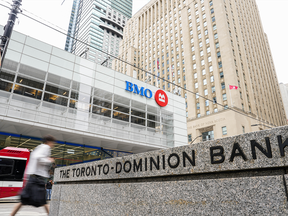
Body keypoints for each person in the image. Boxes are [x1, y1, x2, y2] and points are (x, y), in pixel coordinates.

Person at [11, 135, 56, 216]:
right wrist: (49, 160)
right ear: (49, 142)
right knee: (43, 201)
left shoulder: (39, 147)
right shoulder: (45, 147)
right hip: (37, 179)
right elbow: (38, 158)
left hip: (33, 177)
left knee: (23, 200)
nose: (53, 145)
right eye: (53, 143)